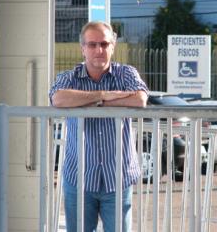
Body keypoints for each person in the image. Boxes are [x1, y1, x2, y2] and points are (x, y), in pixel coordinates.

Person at [49, 21, 148, 232]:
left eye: (104, 44)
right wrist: (102, 95)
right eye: (92, 44)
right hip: (80, 178)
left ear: (113, 46)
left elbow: (140, 99)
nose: (98, 50)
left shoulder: (126, 74)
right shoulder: (69, 77)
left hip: (118, 177)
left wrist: (92, 103)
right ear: (82, 48)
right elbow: (57, 98)